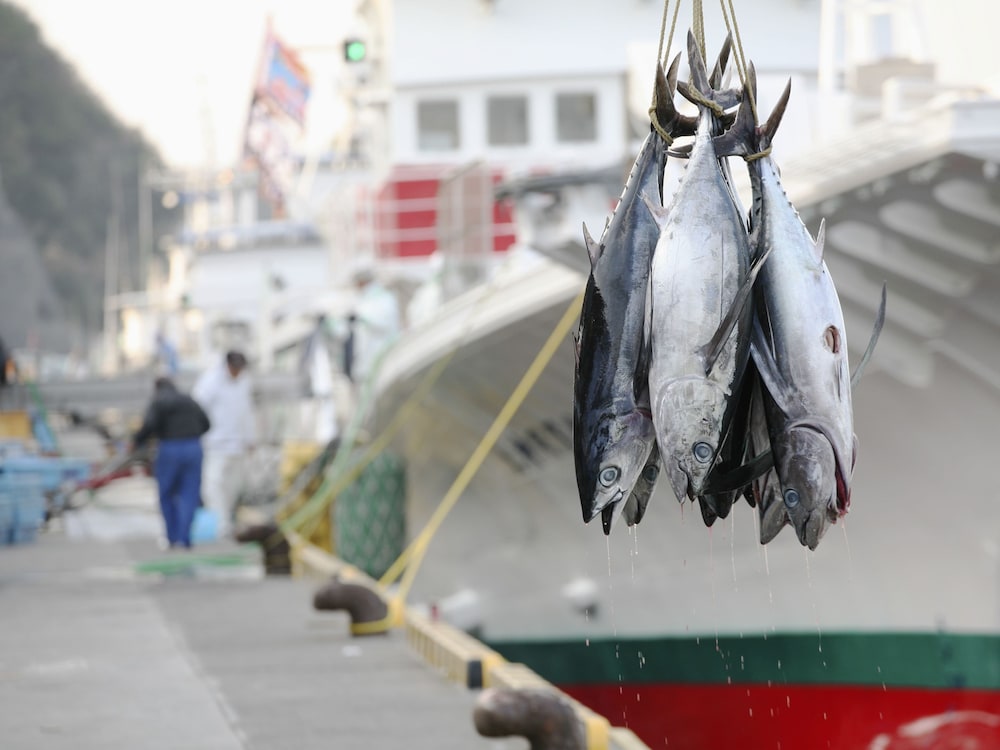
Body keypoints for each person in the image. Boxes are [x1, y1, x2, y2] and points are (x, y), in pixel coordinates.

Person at [131, 377, 211, 549]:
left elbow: (149, 425)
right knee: (190, 494)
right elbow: (207, 424)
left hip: (170, 447)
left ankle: (172, 537)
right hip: (193, 447)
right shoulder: (189, 400)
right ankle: (185, 538)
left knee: (167, 493)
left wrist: (137, 441)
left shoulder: (159, 401)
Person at [192, 350, 257, 538]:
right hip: (215, 443)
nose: (237, 372)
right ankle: (220, 524)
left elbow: (247, 412)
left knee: (233, 486)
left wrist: (249, 439)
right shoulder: (210, 381)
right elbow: (198, 408)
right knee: (212, 485)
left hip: (237, 444)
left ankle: (227, 520)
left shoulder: (245, 382)